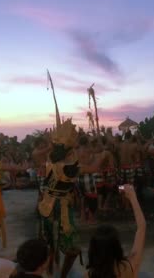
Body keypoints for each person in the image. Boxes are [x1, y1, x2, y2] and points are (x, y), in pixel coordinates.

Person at [36, 119, 111, 278]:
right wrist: (103, 153)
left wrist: (52, 144)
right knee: (71, 247)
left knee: (49, 241)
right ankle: (61, 275)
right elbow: (94, 168)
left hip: (47, 204)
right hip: (60, 206)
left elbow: (37, 154)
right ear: (69, 153)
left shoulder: (50, 161)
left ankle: (49, 272)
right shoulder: (70, 168)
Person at [86, 184, 146, 278]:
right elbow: (141, 228)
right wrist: (132, 197)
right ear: (116, 247)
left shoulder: (89, 274)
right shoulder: (129, 267)